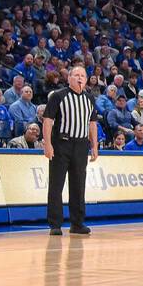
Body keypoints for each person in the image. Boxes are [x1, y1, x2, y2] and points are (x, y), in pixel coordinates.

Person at [42, 64, 99, 236]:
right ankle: (55, 224)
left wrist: (94, 145)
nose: (80, 78)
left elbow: (92, 124)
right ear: (69, 78)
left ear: (86, 80)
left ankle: (77, 223)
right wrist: (47, 144)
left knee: (78, 185)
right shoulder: (58, 96)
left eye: (83, 75)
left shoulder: (90, 99)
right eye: (76, 75)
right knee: (56, 184)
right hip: (61, 144)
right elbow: (47, 120)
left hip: (81, 145)